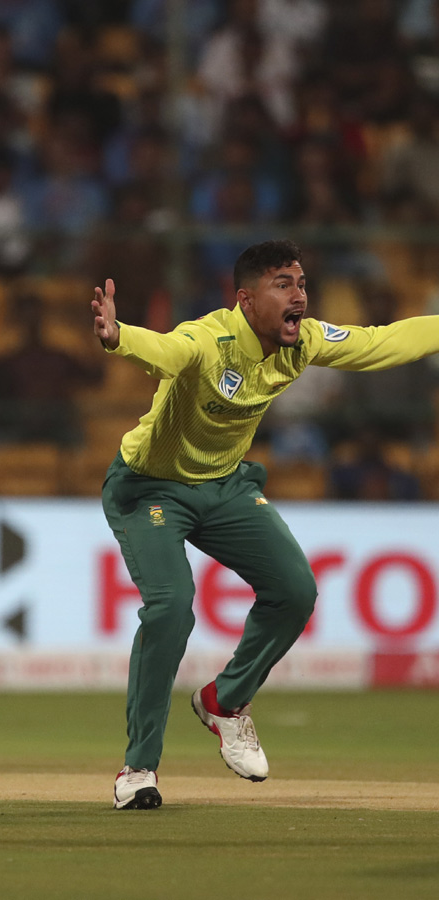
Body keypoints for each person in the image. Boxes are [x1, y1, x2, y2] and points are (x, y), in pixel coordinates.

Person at [91, 239, 439, 811]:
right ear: (246, 300)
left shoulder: (302, 342)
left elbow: (382, 342)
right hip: (150, 487)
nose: (299, 295)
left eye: (301, 283)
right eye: (283, 284)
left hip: (224, 486)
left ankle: (225, 701)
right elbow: (166, 353)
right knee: (171, 606)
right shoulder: (210, 339)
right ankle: (139, 769)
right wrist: (119, 336)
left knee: (295, 590)